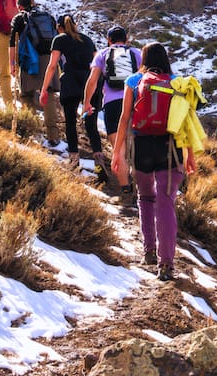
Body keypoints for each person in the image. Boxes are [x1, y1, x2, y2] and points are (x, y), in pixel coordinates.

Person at [111, 42, 197, 282]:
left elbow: (124, 118)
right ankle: (166, 265)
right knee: (166, 202)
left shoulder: (134, 81)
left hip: (142, 147)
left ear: (144, 59)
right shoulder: (179, 83)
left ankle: (148, 250)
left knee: (145, 197)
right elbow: (187, 122)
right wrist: (190, 155)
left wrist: (117, 152)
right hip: (170, 148)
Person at [82, 26, 140, 188]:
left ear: (109, 40)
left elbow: (92, 81)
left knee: (118, 150)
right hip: (135, 102)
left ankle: (125, 188)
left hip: (112, 105)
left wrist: (87, 103)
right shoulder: (136, 53)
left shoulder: (102, 54)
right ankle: (141, 189)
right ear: (126, 39)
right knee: (136, 149)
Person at [38, 14, 96, 169]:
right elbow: (97, 64)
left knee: (70, 122)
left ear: (59, 27)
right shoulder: (87, 40)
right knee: (91, 125)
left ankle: (74, 160)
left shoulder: (59, 39)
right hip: (88, 81)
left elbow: (52, 66)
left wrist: (44, 89)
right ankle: (99, 162)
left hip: (70, 81)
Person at [8, 0, 63, 146]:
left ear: (19, 6)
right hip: (49, 59)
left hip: (29, 59)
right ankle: (53, 135)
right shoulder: (48, 17)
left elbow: (12, 43)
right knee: (49, 94)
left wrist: (12, 63)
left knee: (26, 95)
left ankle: (31, 131)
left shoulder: (19, 18)